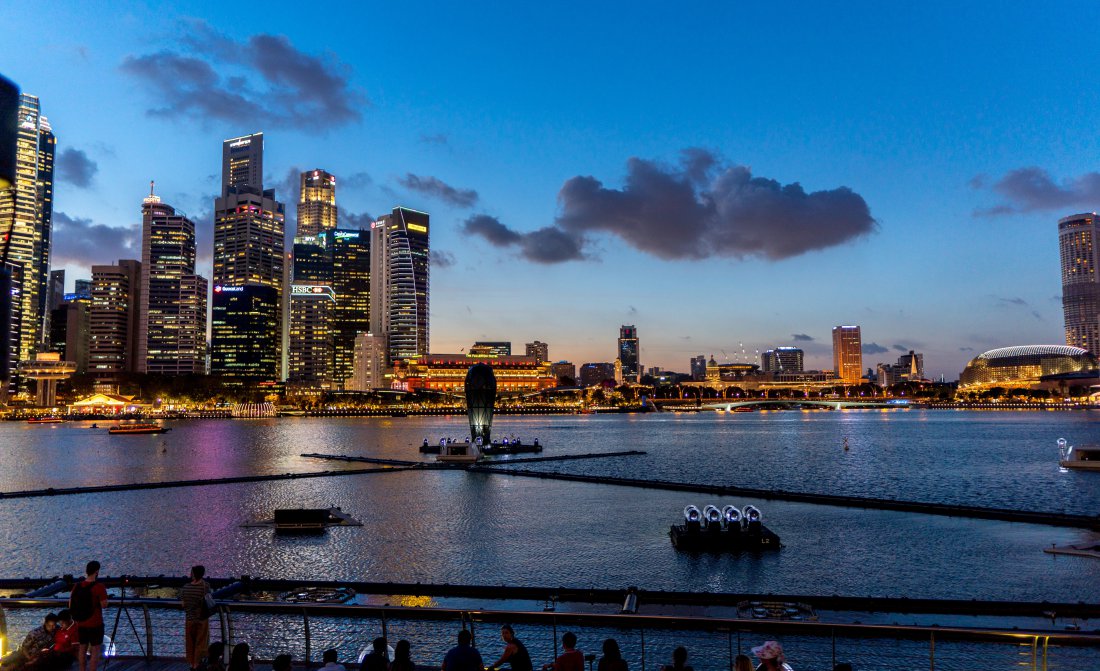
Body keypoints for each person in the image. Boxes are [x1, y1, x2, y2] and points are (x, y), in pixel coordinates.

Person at [69, 561, 108, 671]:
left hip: (81, 623)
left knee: (82, 648)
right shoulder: (99, 587)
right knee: (95, 650)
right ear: (96, 571)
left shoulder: (77, 586)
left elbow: (70, 604)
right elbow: (104, 605)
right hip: (95, 623)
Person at [180, 565, 213, 671]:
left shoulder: (185, 587)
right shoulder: (205, 586)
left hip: (189, 619)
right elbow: (209, 600)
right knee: (201, 642)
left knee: (190, 643)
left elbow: (183, 604)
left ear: (193, 573)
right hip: (201, 618)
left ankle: (191, 663)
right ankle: (197, 664)